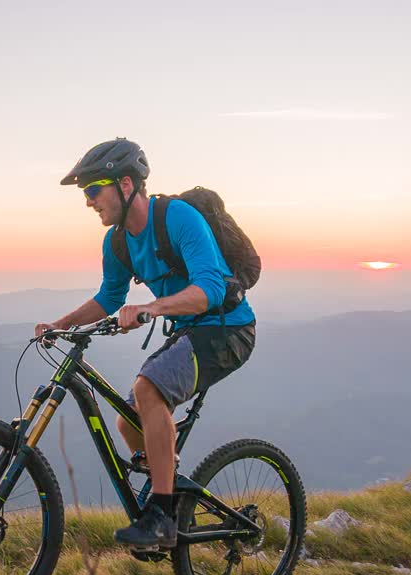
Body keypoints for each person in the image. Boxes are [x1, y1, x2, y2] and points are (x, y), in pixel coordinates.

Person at [34, 138, 256, 549]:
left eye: (92, 190)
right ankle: (165, 481)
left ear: (124, 184)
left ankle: (162, 515)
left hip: (228, 329)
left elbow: (208, 288)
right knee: (126, 419)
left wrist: (152, 308)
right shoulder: (117, 242)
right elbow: (109, 298)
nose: (88, 202)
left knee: (147, 387)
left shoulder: (179, 218)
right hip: (191, 331)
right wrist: (60, 324)